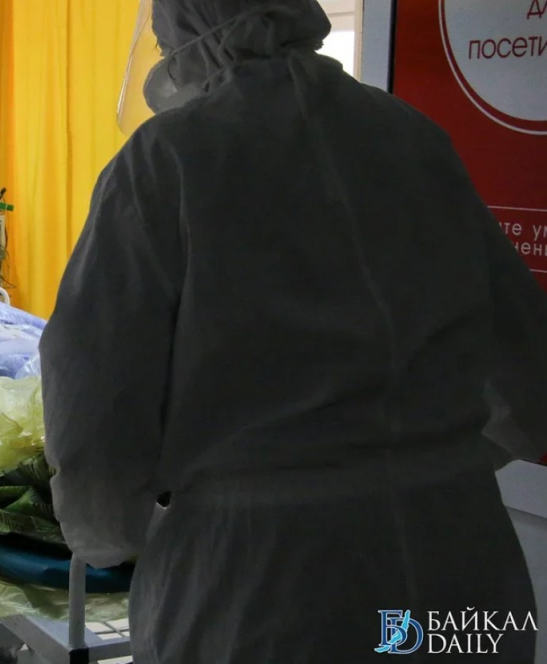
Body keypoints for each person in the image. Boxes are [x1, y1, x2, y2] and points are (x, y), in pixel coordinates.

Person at [40, 0, 547, 661]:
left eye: (165, 45)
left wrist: (107, 534)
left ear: (193, 35)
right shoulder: (411, 136)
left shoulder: (169, 158)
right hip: (461, 562)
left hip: (271, 586)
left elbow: (95, 387)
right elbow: (526, 364)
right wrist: (428, 462)